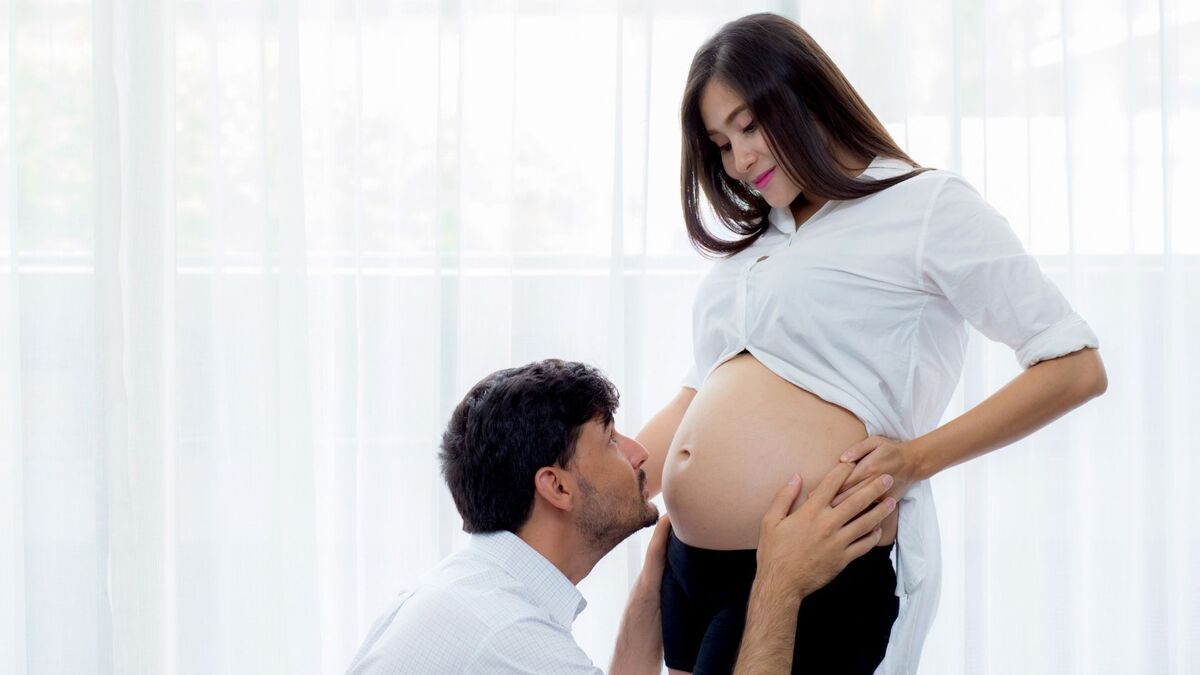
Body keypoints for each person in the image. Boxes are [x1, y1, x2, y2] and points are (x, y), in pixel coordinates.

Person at [634, 13, 1109, 675]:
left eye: (748, 125)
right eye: (719, 143)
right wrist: (605, 477)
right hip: (689, 569)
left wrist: (913, 459)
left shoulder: (925, 205)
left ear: (806, 97)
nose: (739, 161)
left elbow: (1074, 366)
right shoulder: (757, 245)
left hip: (815, 561)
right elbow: (697, 393)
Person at [344, 359, 899, 674]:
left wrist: (644, 603)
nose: (639, 453)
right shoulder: (512, 641)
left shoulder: (466, 595)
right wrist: (781, 584)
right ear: (555, 486)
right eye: (610, 439)